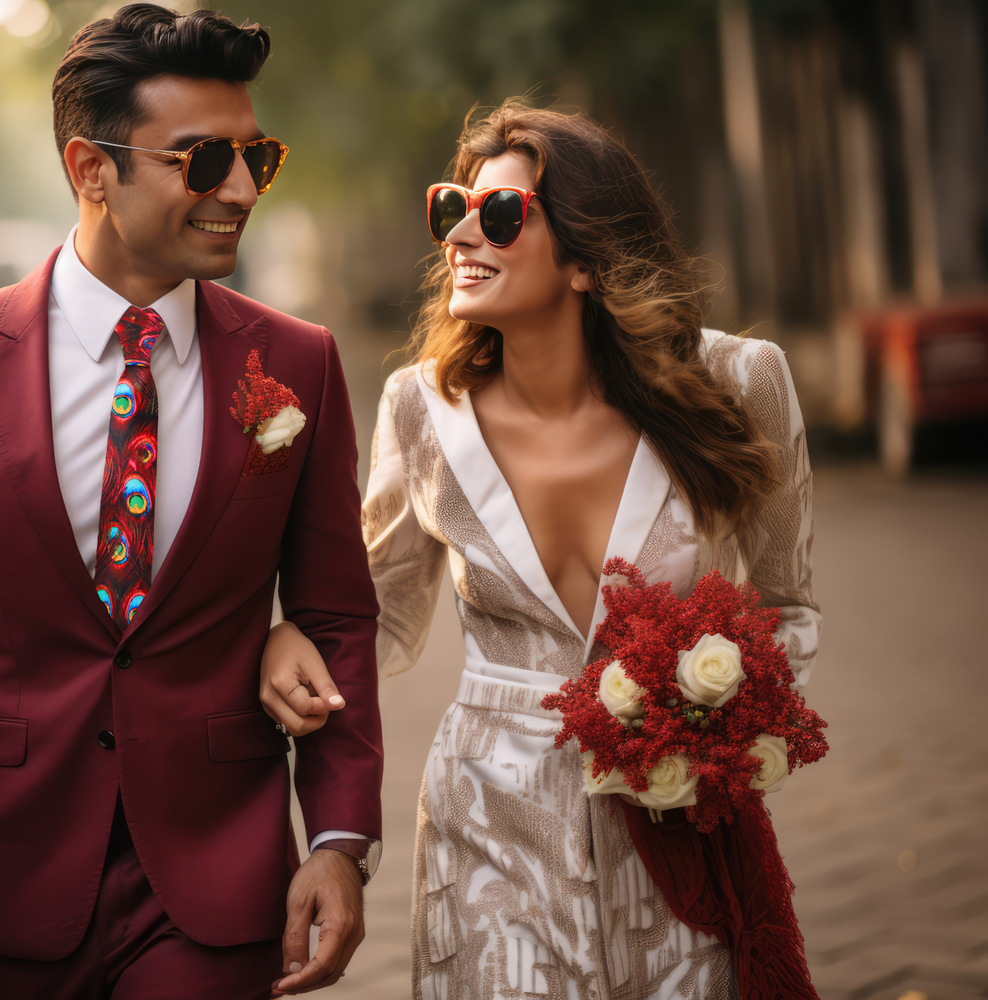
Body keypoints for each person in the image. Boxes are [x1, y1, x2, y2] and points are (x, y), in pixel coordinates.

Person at [0, 7, 383, 999]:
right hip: (6, 862)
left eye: (257, 159)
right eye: (202, 163)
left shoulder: (299, 364)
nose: (239, 191)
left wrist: (337, 838)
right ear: (90, 169)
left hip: (221, 866)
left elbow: (335, 614)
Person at [260, 101, 820, 998]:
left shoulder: (741, 384)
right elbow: (376, 612)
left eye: (504, 215)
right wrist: (287, 634)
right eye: (454, 208)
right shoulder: (420, 408)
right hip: (486, 820)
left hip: (676, 825)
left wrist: (710, 711)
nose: (463, 236)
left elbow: (786, 607)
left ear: (589, 262)